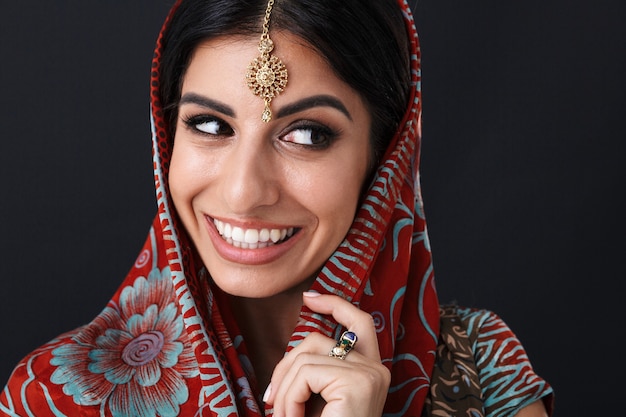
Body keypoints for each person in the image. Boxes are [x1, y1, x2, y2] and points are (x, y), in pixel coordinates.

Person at [0, 0, 554, 416]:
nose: (244, 192)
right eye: (210, 126)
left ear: (387, 156)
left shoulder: (475, 367)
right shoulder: (52, 395)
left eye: (308, 135)